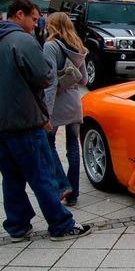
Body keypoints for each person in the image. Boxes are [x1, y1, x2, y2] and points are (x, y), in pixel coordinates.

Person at [0, 0, 91, 242]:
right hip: (25, 121)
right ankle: (61, 224)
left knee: (11, 179)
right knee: (42, 175)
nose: (37, 23)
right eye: (34, 18)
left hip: (3, 125)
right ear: (19, 14)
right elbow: (44, 76)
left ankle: (17, 226)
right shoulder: (22, 41)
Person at [43, 12, 89, 206]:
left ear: (52, 25)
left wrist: (47, 111)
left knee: (48, 144)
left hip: (57, 104)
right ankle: (74, 194)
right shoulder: (78, 47)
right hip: (74, 102)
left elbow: (50, 82)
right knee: (73, 147)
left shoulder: (50, 46)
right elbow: (84, 80)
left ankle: (63, 185)